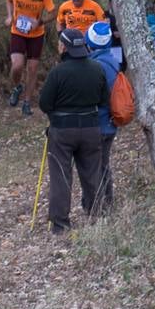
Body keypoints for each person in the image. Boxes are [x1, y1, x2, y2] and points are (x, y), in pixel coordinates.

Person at [37, 29, 109, 236]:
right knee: (92, 174)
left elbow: (44, 104)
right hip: (91, 129)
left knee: (61, 176)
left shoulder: (58, 72)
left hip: (62, 130)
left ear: (64, 47)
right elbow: (104, 100)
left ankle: (60, 224)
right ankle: (97, 216)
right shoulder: (97, 69)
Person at [5, 0, 55, 117]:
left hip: (36, 34)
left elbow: (53, 12)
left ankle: (27, 102)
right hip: (17, 32)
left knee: (32, 69)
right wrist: (9, 16)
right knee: (17, 66)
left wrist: (40, 22)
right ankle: (17, 87)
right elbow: (8, 0)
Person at [86, 21, 121, 212]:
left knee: (94, 166)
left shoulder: (95, 66)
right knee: (104, 164)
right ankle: (108, 203)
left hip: (98, 122)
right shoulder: (113, 61)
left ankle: (97, 207)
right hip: (111, 123)